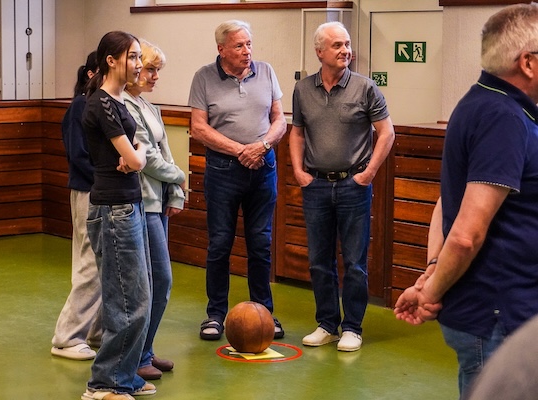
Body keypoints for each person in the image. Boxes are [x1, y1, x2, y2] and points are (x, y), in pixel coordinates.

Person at [394, 3, 538, 398]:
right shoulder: (502, 117)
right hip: (498, 317)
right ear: (527, 63)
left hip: (498, 311)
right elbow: (466, 235)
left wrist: (431, 272)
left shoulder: (481, 103)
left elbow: (449, 201)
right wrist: (431, 294)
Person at [289, 21, 394, 352]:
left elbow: (387, 133)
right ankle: (327, 324)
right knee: (319, 261)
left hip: (353, 186)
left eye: (347, 44)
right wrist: (298, 171)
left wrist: (369, 173)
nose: (345, 50)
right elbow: (297, 132)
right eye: (337, 45)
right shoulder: (302, 89)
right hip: (316, 186)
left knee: (354, 262)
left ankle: (352, 328)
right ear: (319, 52)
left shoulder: (365, 88)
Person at [188, 20, 287, 341]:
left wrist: (262, 146)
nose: (247, 51)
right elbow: (199, 127)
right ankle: (215, 314)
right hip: (223, 170)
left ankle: (264, 313)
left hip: (264, 167)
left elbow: (279, 119)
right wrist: (240, 150)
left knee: (260, 243)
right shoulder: (204, 77)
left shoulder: (266, 71)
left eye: (249, 44)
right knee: (220, 243)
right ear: (221, 49)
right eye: (239, 46)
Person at [81, 31, 155, 399]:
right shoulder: (102, 104)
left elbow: (137, 151)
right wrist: (135, 155)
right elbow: (138, 157)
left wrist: (134, 154)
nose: (139, 64)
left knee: (140, 297)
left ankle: (124, 376)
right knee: (127, 301)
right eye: (133, 57)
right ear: (111, 60)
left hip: (129, 205)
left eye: (140, 57)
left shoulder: (119, 101)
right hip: (114, 210)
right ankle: (105, 383)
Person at [122, 39, 185, 380]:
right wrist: (180, 176)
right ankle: (136, 356)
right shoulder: (125, 106)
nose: (155, 76)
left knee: (158, 283)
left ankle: (145, 351)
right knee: (155, 281)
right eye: (150, 69)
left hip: (158, 202)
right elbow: (147, 159)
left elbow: (165, 151)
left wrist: (175, 192)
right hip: (142, 204)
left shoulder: (148, 105)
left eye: (158, 70)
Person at [51, 51, 102, 362]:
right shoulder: (80, 106)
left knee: (103, 265)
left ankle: (96, 331)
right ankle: (67, 337)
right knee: (89, 263)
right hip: (88, 191)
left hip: (103, 191)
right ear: (93, 73)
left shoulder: (102, 104)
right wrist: (105, 179)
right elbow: (78, 155)